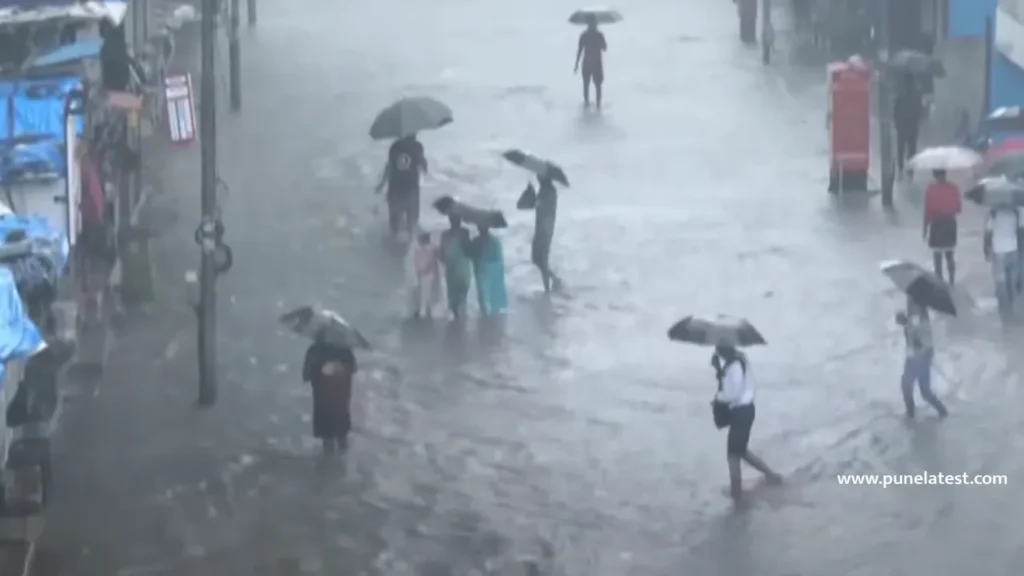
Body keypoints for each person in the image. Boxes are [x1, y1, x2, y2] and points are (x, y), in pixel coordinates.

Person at [711, 345, 781, 504]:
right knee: (741, 451)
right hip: (745, 411)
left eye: (720, 349)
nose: (718, 352)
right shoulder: (737, 361)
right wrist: (719, 369)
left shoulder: (735, 366)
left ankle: (737, 496)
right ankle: (771, 476)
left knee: (733, 456)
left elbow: (730, 393)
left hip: (741, 413)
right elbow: (730, 386)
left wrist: (717, 399)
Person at [302, 334, 358, 454]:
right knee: (342, 437)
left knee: (327, 439)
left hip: (322, 401)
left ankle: (328, 467)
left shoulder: (314, 350)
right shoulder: (345, 350)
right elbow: (353, 368)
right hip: (341, 400)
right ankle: (342, 466)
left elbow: (306, 376)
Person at [895, 299, 948, 418]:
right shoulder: (914, 308)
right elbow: (911, 328)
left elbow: (919, 332)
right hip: (915, 356)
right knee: (916, 389)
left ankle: (913, 415)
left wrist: (907, 324)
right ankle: (940, 413)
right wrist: (905, 322)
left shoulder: (920, 314)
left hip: (920, 356)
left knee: (916, 389)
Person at [376, 134, 427, 239]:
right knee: (412, 218)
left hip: (395, 186)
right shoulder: (417, 146)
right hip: (411, 187)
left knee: (395, 218)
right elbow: (423, 166)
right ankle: (409, 241)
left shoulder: (395, 146)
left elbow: (389, 166)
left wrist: (382, 184)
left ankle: (394, 240)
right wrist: (423, 165)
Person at [922, 169, 961, 284]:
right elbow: (958, 209)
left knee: (937, 256)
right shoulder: (953, 188)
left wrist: (924, 229)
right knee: (950, 255)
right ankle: (952, 280)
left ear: (934, 175)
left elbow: (927, 211)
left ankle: (939, 281)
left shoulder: (931, 190)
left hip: (937, 225)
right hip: (950, 224)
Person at [983, 203, 1022, 314]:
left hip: (998, 250)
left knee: (1000, 280)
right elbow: (1019, 231)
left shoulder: (994, 213)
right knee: (1011, 279)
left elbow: (988, 233)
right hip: (1013, 249)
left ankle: (1003, 308)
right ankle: (1012, 304)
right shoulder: (1015, 212)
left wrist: (986, 249)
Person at [469, 224, 508, 316]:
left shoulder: (476, 241)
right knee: (493, 291)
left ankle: (485, 312)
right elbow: (499, 259)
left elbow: (471, 254)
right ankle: (493, 311)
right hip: (493, 268)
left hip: (482, 269)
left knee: (483, 292)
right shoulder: (495, 241)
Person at [531, 176, 561, 292]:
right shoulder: (544, 189)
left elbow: (542, 205)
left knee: (542, 260)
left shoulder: (550, 191)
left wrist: (536, 200)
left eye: (539, 176)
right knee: (536, 258)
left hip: (545, 229)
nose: (538, 178)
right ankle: (553, 279)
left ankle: (547, 289)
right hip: (541, 227)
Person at [439, 214, 472, 318]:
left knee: (456, 287)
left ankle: (456, 311)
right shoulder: (464, 232)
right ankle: (458, 310)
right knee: (461, 286)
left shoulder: (448, 234)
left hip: (455, 264)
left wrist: (443, 259)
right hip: (459, 264)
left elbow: (441, 251)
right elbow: (468, 248)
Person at [574, 16, 607, 108]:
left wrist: (576, 64)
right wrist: (576, 64)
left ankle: (589, 105)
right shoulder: (598, 35)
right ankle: (597, 106)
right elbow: (604, 48)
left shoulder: (584, 35)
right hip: (595, 64)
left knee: (588, 85)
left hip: (589, 64)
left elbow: (580, 50)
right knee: (596, 86)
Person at [893, 74, 923, 176]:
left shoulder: (900, 95)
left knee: (901, 148)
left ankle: (900, 168)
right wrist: (917, 121)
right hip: (912, 126)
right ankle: (910, 169)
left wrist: (896, 123)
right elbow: (920, 111)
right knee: (912, 149)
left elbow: (895, 111)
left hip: (902, 126)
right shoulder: (917, 95)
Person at [407, 231, 441, 318]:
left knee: (420, 292)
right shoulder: (433, 248)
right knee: (428, 293)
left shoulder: (419, 250)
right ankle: (427, 309)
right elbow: (435, 260)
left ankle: (418, 310)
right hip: (430, 274)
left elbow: (416, 262)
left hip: (422, 273)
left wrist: (418, 271)